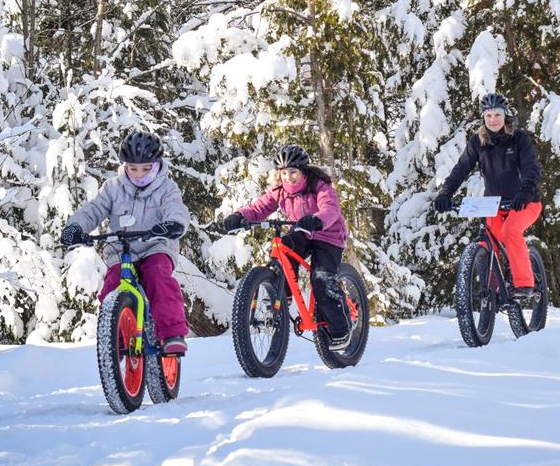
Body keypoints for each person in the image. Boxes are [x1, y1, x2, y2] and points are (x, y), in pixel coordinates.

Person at [60, 130, 191, 355]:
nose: (139, 174)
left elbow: (175, 208)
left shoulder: (166, 188)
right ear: (125, 166)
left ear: (157, 165)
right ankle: (115, 338)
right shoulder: (113, 188)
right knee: (112, 285)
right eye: (133, 168)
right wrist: (76, 227)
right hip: (122, 250)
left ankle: (172, 333)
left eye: (146, 168)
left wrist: (173, 224)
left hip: (156, 247)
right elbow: (94, 210)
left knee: (157, 275)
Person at [221, 144, 353, 351]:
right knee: (282, 251)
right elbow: (259, 208)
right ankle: (282, 293)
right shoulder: (279, 191)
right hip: (302, 232)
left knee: (321, 278)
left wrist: (317, 220)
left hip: (328, 235)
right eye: (284, 173)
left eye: (293, 172)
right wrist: (239, 216)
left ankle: (341, 329)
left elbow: (330, 209)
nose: (288, 178)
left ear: (304, 171)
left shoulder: (320, 186)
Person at [432, 93, 544, 300]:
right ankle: (493, 289)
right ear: (483, 117)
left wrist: (525, 191)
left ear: (505, 116)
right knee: (489, 240)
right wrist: (445, 193)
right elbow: (461, 169)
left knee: (511, 231)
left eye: (497, 115)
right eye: (489, 115)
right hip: (494, 204)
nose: (493, 119)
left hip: (525, 202)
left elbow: (531, 169)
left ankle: (524, 284)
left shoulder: (519, 139)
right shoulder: (478, 142)